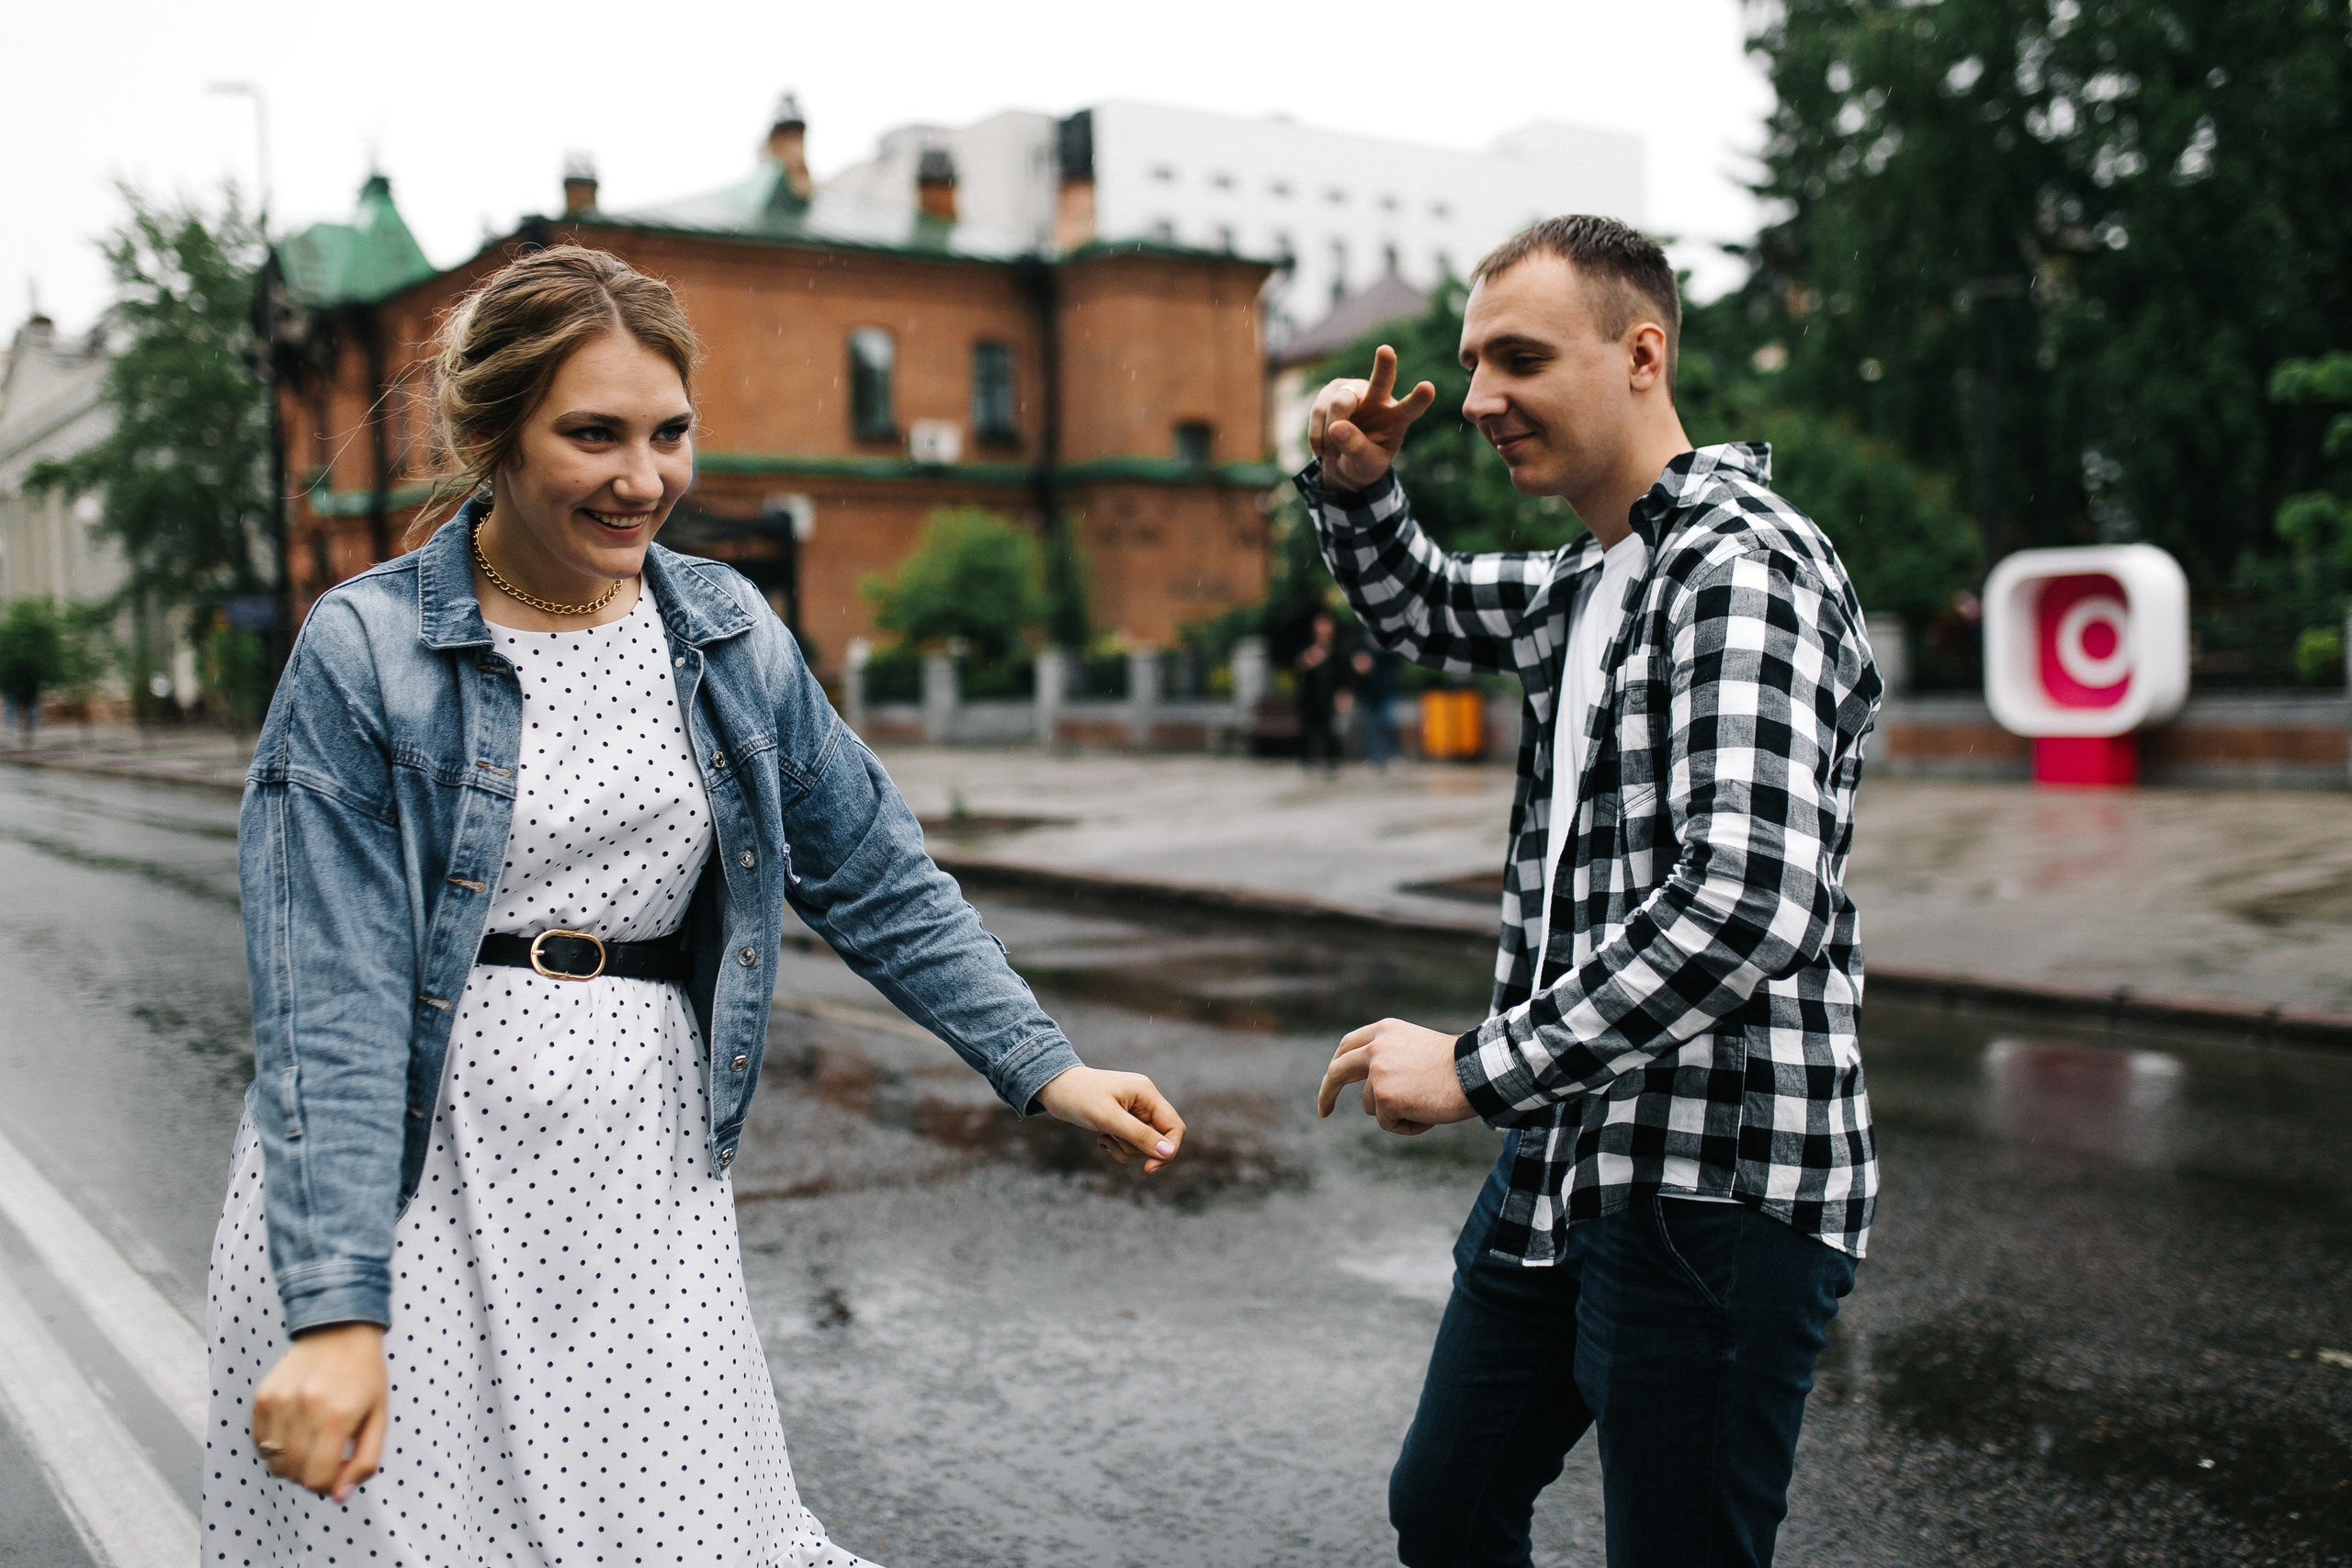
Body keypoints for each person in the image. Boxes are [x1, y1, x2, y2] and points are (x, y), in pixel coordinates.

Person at [203, 245, 1186, 1565]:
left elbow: (876, 873)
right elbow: (329, 994)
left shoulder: (724, 629)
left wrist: (1043, 1063)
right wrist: (335, 1307)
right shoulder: (365, 650)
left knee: (678, 1527)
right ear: (493, 433)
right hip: (414, 1175)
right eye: (592, 434)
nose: (644, 477)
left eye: (670, 433)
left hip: (635, 1156)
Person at [1303, 217, 1883, 1567]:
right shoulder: (1592, 571)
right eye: (1472, 364)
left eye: (1521, 358)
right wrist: (1356, 484)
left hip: (1715, 1184)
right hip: (1571, 1149)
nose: (1485, 400)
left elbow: (1746, 900)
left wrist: (1475, 1065)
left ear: (1641, 353)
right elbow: (1426, 607)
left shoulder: (1739, 566)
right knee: (1446, 1501)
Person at [1295, 609, 1347, 773]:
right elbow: (1298, 667)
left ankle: (1332, 762)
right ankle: (1306, 762)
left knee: (1329, 730)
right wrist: (1310, 658)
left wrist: (1343, 694)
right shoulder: (1307, 645)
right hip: (1310, 695)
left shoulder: (1337, 648)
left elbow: (1342, 674)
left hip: (1328, 695)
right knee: (1307, 730)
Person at [1351, 637, 1403, 769]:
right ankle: (1374, 758)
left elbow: (1397, 661)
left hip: (1386, 690)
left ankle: (1394, 755)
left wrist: (1381, 650)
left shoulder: (1388, 635)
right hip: (1367, 692)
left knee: (1388, 722)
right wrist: (1358, 664)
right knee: (1370, 726)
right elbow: (1353, 661)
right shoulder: (1359, 639)